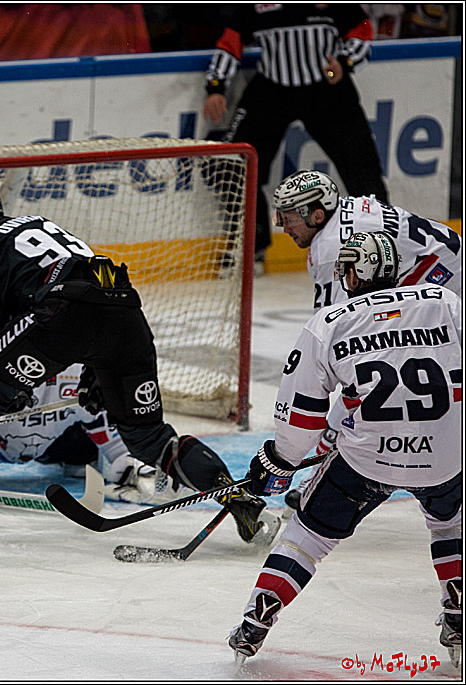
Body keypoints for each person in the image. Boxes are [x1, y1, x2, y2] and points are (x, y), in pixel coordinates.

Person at [0, 179, 280, 545]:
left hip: (65, 316)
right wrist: (93, 367)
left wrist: (7, 390)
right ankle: (240, 502)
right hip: (126, 312)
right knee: (149, 437)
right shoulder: (37, 224)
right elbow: (87, 287)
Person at [229, 231, 462, 665]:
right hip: (446, 459)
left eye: (348, 267)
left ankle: (255, 624)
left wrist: (278, 461)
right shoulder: (447, 302)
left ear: (359, 271)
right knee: (451, 526)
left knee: (306, 537)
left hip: (367, 463)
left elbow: (299, 421)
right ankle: (459, 613)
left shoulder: (331, 321)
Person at [271, 169, 462, 508]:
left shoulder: (333, 247)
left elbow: (338, 335)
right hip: (441, 279)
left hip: (448, 290)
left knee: (364, 371)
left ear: (316, 214)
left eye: (288, 218)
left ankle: (323, 474)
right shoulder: (343, 215)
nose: (282, 227)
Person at [202, 5, 388, 262]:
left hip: (327, 88)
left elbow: (363, 31)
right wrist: (216, 86)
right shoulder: (254, 6)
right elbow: (229, 43)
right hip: (272, 89)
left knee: (362, 167)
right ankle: (253, 244)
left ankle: (383, 238)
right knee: (234, 162)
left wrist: (345, 63)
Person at [0, 344, 157, 502]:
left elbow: (116, 442)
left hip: (50, 442)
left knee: (83, 450)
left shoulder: (91, 369)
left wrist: (134, 465)